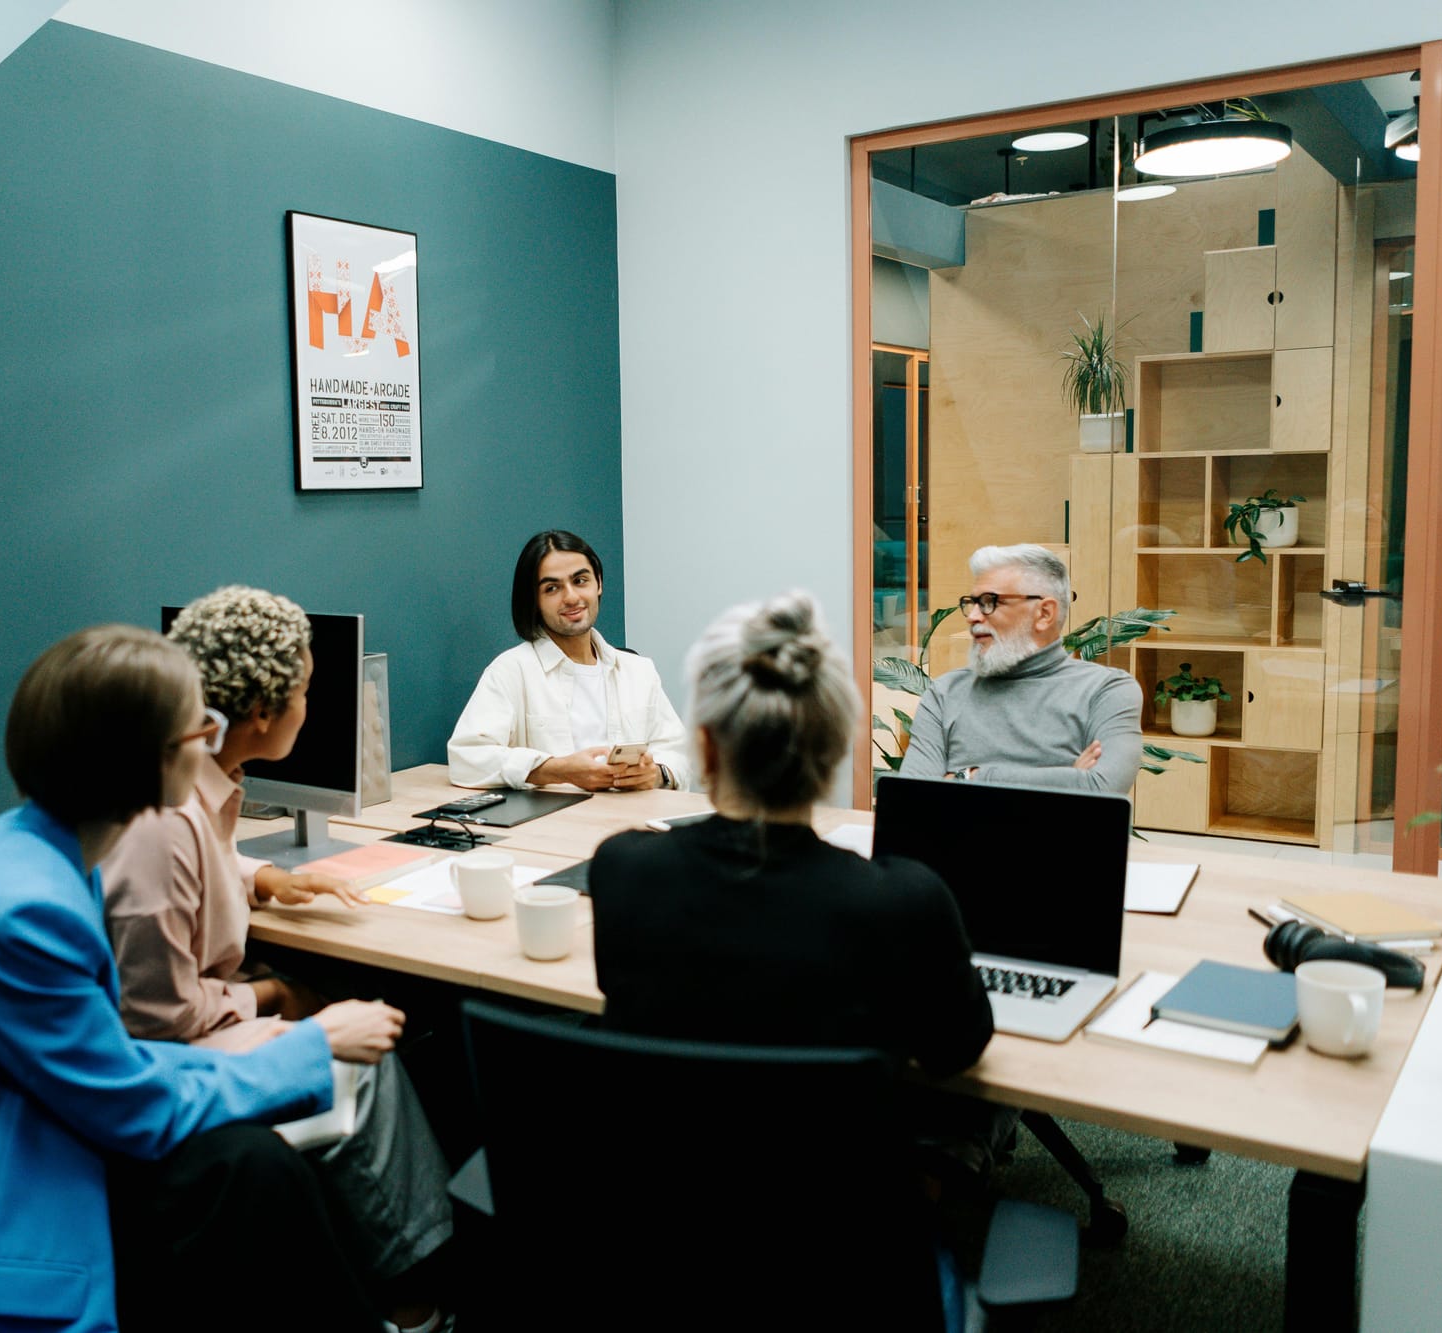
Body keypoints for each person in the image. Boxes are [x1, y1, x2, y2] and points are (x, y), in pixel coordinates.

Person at [0, 625, 400, 1333]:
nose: (212, 738)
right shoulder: (26, 913)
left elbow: (103, 1058)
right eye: (199, 727)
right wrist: (312, 1042)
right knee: (252, 1173)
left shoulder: (34, 850)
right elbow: (134, 1105)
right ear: (144, 763)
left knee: (247, 1171)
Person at [102, 588, 453, 1333]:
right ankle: (415, 1297)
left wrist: (268, 878)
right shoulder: (161, 821)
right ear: (261, 713)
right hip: (167, 1066)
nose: (308, 705)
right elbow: (154, 1020)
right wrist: (274, 994)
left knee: (345, 1002)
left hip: (191, 1024)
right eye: (303, 691)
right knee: (368, 1045)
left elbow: (207, 867)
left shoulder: (193, 777)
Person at [588, 591, 991, 1068]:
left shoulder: (623, 868)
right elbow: (956, 1050)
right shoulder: (907, 903)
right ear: (838, 750)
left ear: (708, 749)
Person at [447, 529, 692, 791]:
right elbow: (467, 758)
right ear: (534, 600)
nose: (571, 597)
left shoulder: (638, 671)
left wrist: (657, 774)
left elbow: (680, 755)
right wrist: (555, 770)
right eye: (552, 588)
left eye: (580, 580)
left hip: (634, 820)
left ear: (598, 583)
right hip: (556, 825)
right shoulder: (511, 671)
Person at [898, 543, 1143, 794]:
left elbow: (1101, 789)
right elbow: (912, 798)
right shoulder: (946, 693)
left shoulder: (1105, 690)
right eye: (972, 602)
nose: (972, 616)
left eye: (989, 601)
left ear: (1044, 613)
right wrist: (1068, 779)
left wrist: (970, 777)